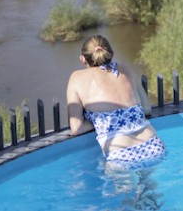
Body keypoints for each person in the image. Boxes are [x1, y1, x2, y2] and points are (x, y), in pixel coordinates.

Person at [67, 35, 166, 170]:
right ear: (111, 53)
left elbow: (77, 128)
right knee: (151, 189)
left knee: (123, 191)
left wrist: (101, 121)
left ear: (82, 58)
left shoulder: (76, 78)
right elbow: (147, 109)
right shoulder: (125, 68)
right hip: (153, 144)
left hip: (120, 153)